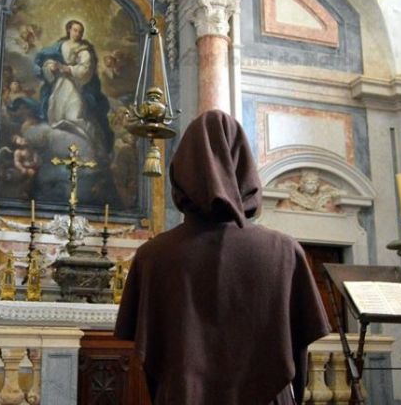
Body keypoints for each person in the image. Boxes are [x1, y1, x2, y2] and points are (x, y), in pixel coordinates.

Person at [114, 110, 330, 404]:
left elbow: (150, 360)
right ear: (245, 170)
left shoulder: (151, 256)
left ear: (181, 172)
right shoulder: (285, 251)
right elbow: (298, 349)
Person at [34, 20, 114, 157]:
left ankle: (87, 147)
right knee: (56, 111)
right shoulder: (58, 47)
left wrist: (67, 68)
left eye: (80, 31)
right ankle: (62, 149)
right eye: (75, 30)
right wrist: (50, 67)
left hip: (77, 85)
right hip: (58, 85)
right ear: (69, 30)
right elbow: (46, 62)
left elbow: (85, 70)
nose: (77, 33)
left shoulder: (84, 50)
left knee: (75, 112)